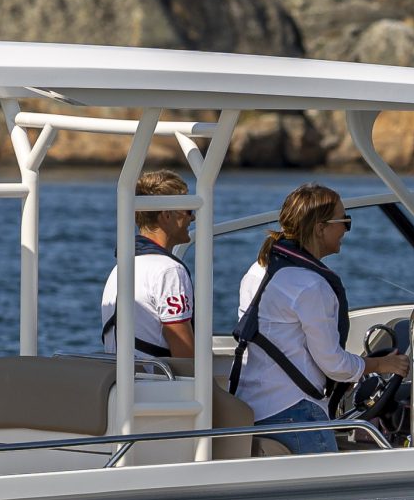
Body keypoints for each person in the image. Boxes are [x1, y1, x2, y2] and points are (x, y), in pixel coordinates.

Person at [230, 183, 377, 454]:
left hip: (254, 406)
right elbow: (333, 364)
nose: (346, 229)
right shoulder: (310, 285)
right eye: (344, 221)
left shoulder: (258, 269)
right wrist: (384, 364)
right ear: (321, 228)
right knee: (327, 495)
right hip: (295, 412)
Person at [99, 168, 197, 364]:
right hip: (158, 388)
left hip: (125, 384)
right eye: (188, 209)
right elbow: (186, 358)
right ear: (166, 216)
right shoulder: (169, 271)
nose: (192, 217)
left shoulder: (121, 268)